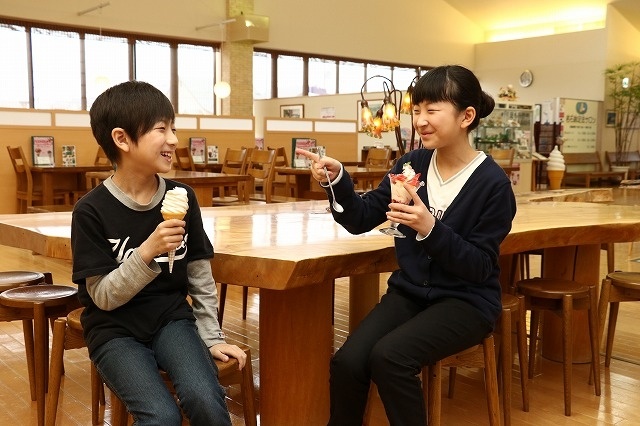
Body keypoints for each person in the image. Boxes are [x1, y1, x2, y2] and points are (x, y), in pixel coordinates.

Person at [296, 65, 517, 425]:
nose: (420, 121)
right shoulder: (412, 164)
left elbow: (479, 267)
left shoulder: (493, 184)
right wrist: (336, 181)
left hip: (466, 302)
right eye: (416, 110)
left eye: (432, 110)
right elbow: (361, 218)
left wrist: (430, 228)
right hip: (410, 293)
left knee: (390, 357)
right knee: (348, 361)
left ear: (466, 116)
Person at [71, 81, 246, 426]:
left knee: (206, 400)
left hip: (171, 320)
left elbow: (199, 275)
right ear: (122, 139)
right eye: (161, 129)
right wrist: (148, 250)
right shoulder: (91, 211)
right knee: (161, 416)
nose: (173, 140)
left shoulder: (183, 197)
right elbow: (102, 296)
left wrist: (211, 337)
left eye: (173, 128)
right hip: (114, 330)